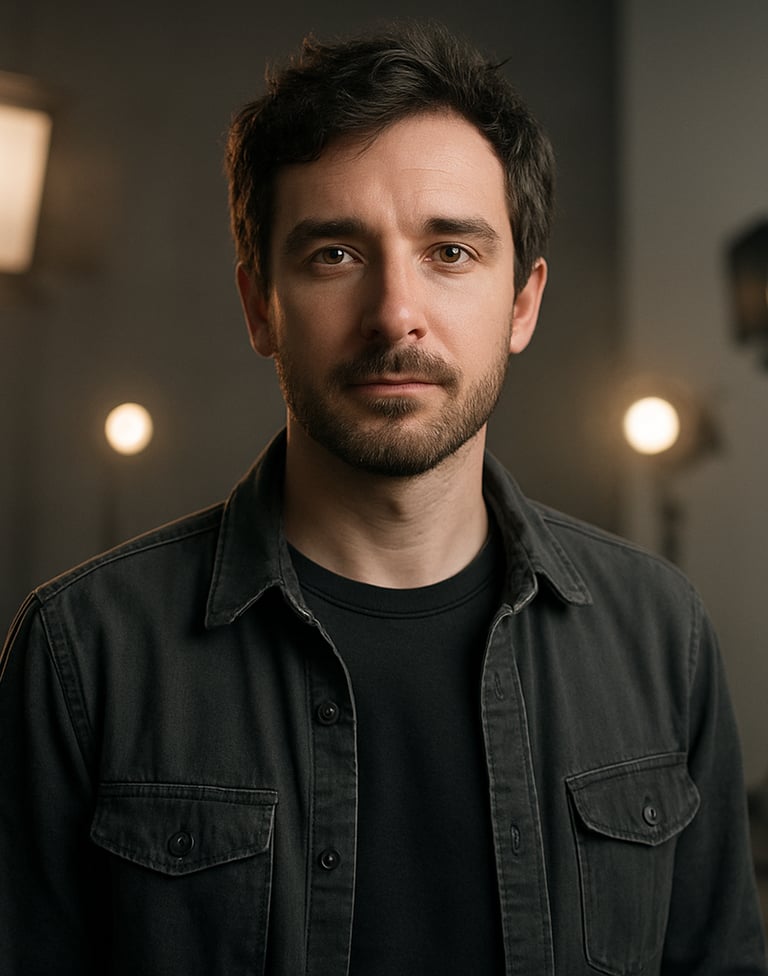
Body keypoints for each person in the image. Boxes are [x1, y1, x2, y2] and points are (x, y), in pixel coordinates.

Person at [0, 20, 765, 976]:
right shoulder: (84, 653)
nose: (396, 311)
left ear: (522, 303)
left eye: (450, 252)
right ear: (258, 306)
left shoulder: (661, 635)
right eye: (335, 254)